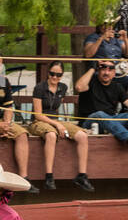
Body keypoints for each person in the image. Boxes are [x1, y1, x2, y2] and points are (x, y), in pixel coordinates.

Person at [29, 62, 93, 191]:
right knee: (51, 135)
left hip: (55, 120)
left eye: (58, 75)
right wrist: (57, 124)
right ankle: (49, 176)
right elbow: (38, 115)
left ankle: (82, 175)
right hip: (39, 121)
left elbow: (58, 107)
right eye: (52, 73)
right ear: (48, 73)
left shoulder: (63, 87)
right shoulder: (39, 87)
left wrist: (60, 124)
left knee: (82, 135)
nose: (54, 77)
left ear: (62, 75)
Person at [0, 56, 37, 192]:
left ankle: (24, 178)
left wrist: (6, 124)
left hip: (0, 120)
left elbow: (8, 107)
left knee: (22, 134)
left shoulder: (2, 80)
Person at [75, 59, 128, 147]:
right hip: (89, 123)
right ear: (98, 71)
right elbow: (79, 87)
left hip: (110, 121)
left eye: (110, 70)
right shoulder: (90, 82)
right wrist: (92, 67)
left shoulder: (117, 86)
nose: (106, 73)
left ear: (114, 73)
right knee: (100, 114)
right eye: (103, 69)